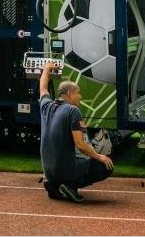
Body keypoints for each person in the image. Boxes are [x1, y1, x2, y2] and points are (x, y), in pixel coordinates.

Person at [39, 62, 114, 202]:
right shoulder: (73, 111)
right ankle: (69, 185)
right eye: (78, 93)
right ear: (69, 94)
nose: (80, 96)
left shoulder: (46, 106)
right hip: (64, 169)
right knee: (106, 165)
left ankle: (54, 184)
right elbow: (80, 145)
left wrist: (46, 69)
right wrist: (99, 157)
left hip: (48, 171)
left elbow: (43, 88)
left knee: (80, 159)